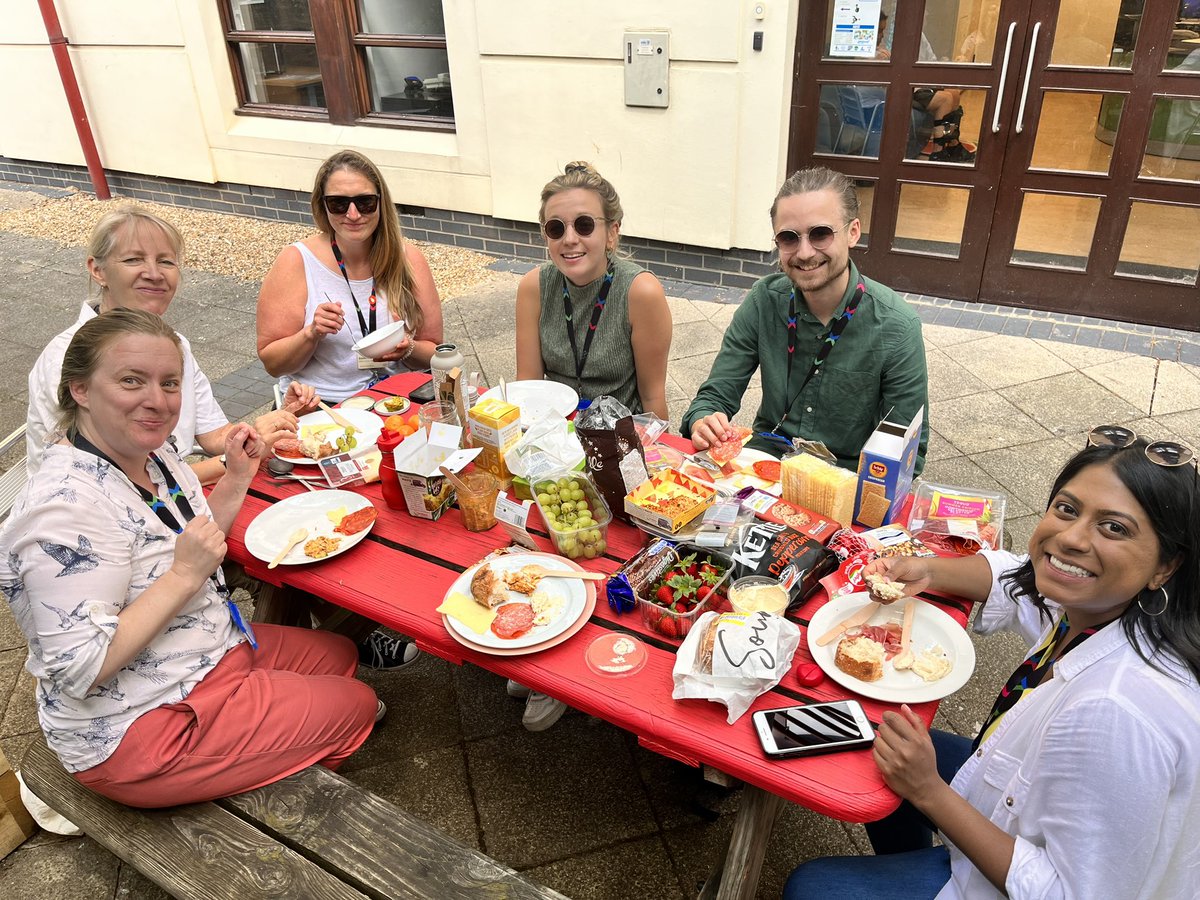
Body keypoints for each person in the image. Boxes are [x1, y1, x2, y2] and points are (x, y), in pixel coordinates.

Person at [784, 429, 1200, 899]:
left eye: (1114, 528)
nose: (1070, 539)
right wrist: (930, 569)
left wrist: (928, 792)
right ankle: (908, 862)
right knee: (882, 738)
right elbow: (1014, 576)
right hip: (1013, 795)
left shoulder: (1116, 712)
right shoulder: (1102, 607)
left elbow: (1068, 893)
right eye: (1067, 509)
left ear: (1166, 566)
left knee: (812, 887)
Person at [1, 309, 380, 808]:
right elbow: (80, 668)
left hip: (201, 650)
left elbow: (198, 541)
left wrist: (239, 476)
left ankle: (270, 741)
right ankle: (269, 792)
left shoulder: (150, 457)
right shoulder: (62, 512)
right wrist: (182, 576)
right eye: (131, 380)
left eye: (170, 382)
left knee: (340, 654)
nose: (157, 401)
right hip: (136, 727)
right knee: (360, 706)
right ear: (81, 390)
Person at [26, 206, 316, 483]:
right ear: (97, 269)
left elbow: (215, 434)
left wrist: (272, 425)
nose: (154, 274)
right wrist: (237, 458)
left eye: (166, 261)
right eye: (133, 260)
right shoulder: (69, 360)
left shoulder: (173, 344)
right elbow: (126, 484)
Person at [683, 167, 928, 473]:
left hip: (846, 478)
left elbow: (907, 451)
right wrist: (705, 420)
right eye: (788, 238)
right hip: (767, 464)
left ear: (853, 232)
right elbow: (716, 395)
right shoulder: (764, 300)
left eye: (821, 233)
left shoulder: (896, 326)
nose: (805, 252)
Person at [257, 149, 443, 403]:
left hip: (397, 400)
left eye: (365, 203)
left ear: (381, 203)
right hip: (324, 405)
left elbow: (436, 353)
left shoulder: (408, 258)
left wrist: (408, 348)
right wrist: (311, 333)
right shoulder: (296, 261)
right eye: (339, 204)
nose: (353, 214)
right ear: (322, 206)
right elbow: (273, 364)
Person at [515, 161, 672, 418]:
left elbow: (652, 397)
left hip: (619, 439)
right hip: (555, 437)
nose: (569, 239)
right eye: (555, 228)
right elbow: (528, 388)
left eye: (584, 224)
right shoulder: (534, 287)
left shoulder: (640, 293)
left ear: (612, 232)